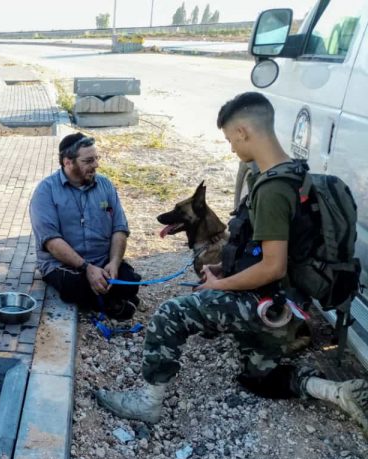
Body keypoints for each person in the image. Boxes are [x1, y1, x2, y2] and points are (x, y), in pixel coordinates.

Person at [95, 92, 368, 434]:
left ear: (242, 131)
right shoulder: (296, 174)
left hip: (266, 303)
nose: (230, 148)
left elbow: (272, 267)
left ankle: (148, 402)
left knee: (169, 315)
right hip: (289, 309)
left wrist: (217, 284)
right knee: (257, 378)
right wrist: (224, 269)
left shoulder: (272, 190)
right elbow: (269, 252)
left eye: (229, 139)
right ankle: (336, 391)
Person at [29, 132, 140, 320]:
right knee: (75, 286)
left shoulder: (105, 185)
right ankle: (111, 302)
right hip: (64, 265)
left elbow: (119, 228)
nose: (96, 165)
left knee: (130, 281)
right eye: (88, 161)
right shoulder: (45, 192)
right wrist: (87, 268)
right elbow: (52, 242)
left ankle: (106, 299)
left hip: (102, 260)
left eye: (96, 158)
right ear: (67, 162)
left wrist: (113, 262)